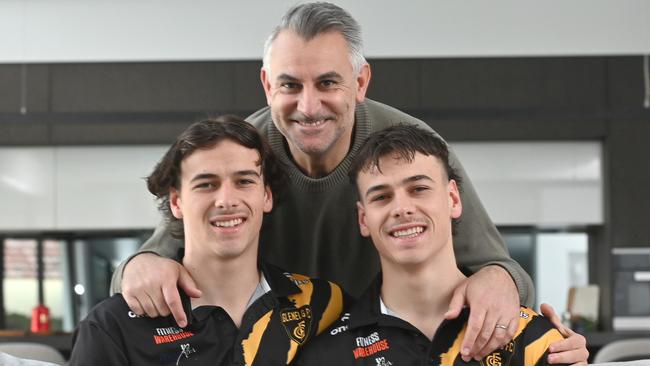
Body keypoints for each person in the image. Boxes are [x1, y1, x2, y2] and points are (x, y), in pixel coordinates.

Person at [111, 2, 586, 363]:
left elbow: (498, 267)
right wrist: (141, 266)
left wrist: (515, 306)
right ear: (266, 85)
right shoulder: (240, 155)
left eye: (328, 83)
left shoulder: (415, 149)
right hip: (283, 346)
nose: (309, 106)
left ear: (360, 83)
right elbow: (155, 257)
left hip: (390, 338)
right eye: (290, 85)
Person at [295, 124, 583, 366]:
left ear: (454, 199)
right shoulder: (326, 356)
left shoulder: (533, 339)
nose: (402, 208)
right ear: (363, 219)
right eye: (381, 197)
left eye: (419, 189)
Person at [69, 117, 346, 365]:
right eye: (206, 184)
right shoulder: (112, 327)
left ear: (266, 197)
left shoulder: (325, 305)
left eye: (244, 181)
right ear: (176, 201)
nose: (226, 200)